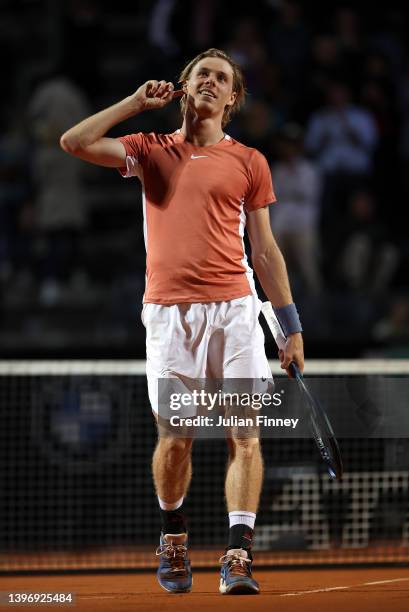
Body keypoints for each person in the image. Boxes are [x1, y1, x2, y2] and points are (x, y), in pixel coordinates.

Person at [60, 48, 304, 596]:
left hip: (236, 313)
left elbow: (265, 251)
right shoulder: (149, 150)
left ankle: (238, 554)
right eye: (202, 76)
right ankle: (173, 536)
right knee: (176, 438)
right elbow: (73, 142)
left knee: (245, 435)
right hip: (169, 316)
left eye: (222, 79)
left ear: (233, 97)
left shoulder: (250, 161)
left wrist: (290, 327)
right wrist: (133, 104)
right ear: (184, 87)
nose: (211, 84)